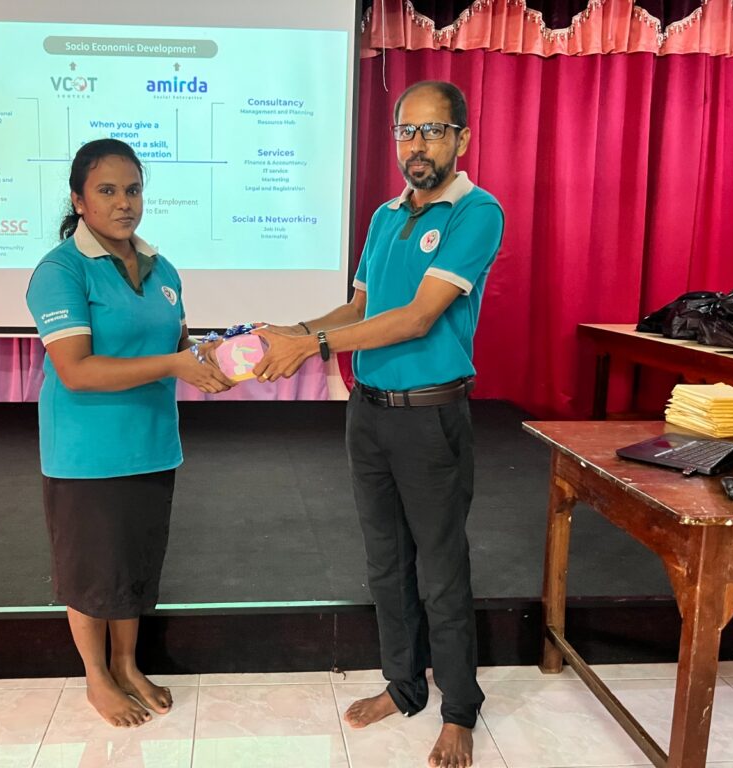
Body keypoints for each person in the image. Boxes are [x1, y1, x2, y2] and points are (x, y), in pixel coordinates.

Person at [253, 81, 504, 767]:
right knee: (386, 562)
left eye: (432, 130)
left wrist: (315, 347)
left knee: (441, 569)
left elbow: (418, 317)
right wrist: (296, 331)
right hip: (368, 414)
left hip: (430, 417)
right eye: (405, 131)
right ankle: (403, 685)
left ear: (461, 138)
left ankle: (459, 708)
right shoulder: (383, 216)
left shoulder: (476, 212)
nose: (416, 145)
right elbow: (359, 308)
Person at [25, 139, 234, 728]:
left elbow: (180, 344)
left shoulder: (161, 268)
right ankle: (97, 679)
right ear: (79, 199)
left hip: (152, 444)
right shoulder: (60, 271)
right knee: (91, 573)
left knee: (133, 567)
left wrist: (227, 354)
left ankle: (127, 664)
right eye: (107, 191)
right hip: (86, 453)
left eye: (133, 190)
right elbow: (76, 369)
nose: (124, 203)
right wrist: (176, 364)